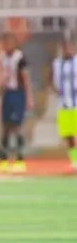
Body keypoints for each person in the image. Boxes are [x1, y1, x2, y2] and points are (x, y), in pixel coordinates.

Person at [0, 33, 33, 173]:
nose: (6, 46)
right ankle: (4, 158)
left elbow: (25, 78)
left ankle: (19, 158)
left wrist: (29, 97)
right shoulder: (2, 57)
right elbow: (3, 76)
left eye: (8, 43)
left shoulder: (20, 58)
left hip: (18, 93)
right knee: (5, 126)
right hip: (7, 93)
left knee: (16, 126)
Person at [52, 38, 77, 172]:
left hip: (76, 103)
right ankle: (75, 161)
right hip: (63, 103)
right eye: (65, 48)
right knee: (68, 134)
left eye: (70, 48)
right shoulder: (57, 63)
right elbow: (52, 79)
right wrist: (56, 89)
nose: (67, 50)